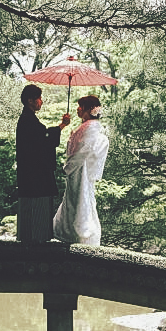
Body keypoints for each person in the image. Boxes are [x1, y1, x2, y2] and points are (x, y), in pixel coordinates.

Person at [15, 84, 71, 243]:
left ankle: (29, 240)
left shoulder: (27, 119)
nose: (41, 102)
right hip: (36, 176)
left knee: (29, 212)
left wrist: (60, 126)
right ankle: (36, 243)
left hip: (29, 175)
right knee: (37, 213)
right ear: (30, 101)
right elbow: (45, 140)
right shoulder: (28, 121)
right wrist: (62, 125)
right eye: (39, 98)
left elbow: (43, 136)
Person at [53, 95, 109, 246]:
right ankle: (73, 231)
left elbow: (83, 150)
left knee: (79, 198)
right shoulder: (87, 126)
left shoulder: (89, 127)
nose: (78, 109)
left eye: (80, 106)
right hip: (77, 168)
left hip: (80, 168)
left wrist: (70, 164)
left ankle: (79, 232)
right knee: (76, 198)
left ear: (87, 109)